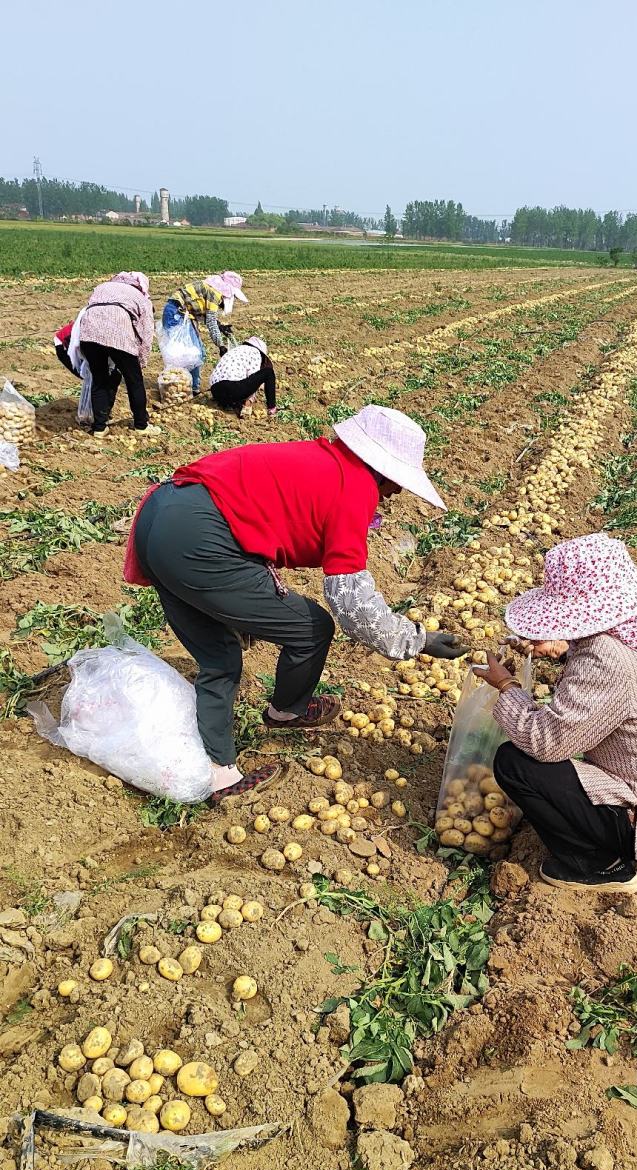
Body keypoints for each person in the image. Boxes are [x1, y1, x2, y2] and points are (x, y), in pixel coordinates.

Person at [124, 405, 465, 801]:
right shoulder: (353, 489)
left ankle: (221, 776)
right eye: (398, 481)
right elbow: (351, 603)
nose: (397, 493)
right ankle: (286, 711)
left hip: (160, 516)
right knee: (312, 627)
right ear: (383, 470)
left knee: (219, 657)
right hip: (200, 536)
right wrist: (418, 640)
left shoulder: (321, 460)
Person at [475, 532, 637, 894]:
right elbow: (624, 681)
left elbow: (545, 742)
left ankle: (600, 865)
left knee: (515, 763)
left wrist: (507, 687)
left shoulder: (607, 659)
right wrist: (563, 646)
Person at [78, 272, 157, 437]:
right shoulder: (140, 297)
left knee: (99, 379)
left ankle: (99, 428)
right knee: (134, 380)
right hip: (118, 333)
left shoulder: (102, 287)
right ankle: (141, 425)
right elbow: (147, 331)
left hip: (88, 333)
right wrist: (141, 360)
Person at [160, 271, 248, 394]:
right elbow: (210, 321)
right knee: (192, 354)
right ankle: (183, 388)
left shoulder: (211, 289)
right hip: (176, 314)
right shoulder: (215, 293)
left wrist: (220, 326)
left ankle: (188, 386)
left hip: (178, 313)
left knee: (194, 353)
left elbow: (206, 315)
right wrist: (221, 345)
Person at [209, 337, 277, 419]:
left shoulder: (235, 350)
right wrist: (248, 403)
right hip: (232, 389)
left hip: (215, 391)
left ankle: (228, 405)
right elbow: (252, 375)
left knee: (236, 388)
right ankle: (272, 409)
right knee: (268, 372)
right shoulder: (255, 352)